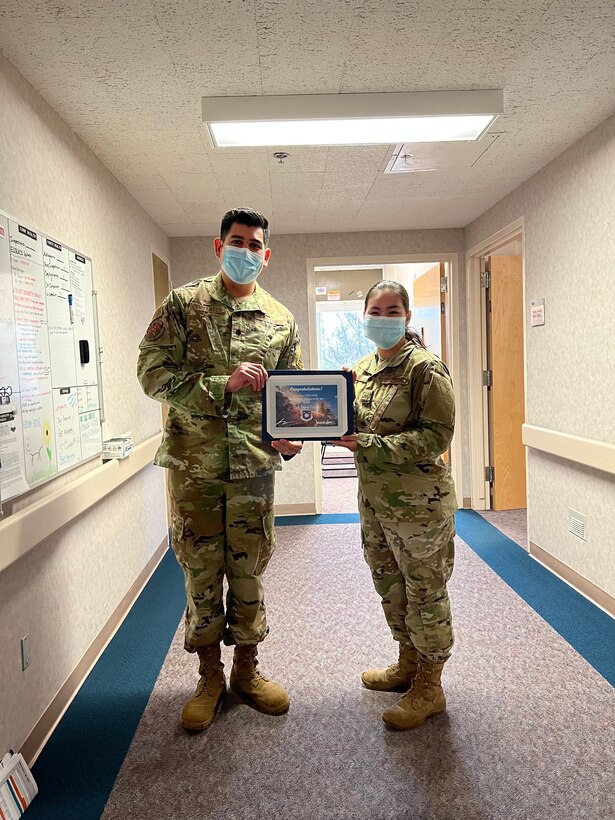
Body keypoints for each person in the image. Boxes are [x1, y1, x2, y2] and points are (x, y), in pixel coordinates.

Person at [137, 208, 303, 732]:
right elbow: (151, 373)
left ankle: (246, 674)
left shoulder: (281, 319)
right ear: (218, 246)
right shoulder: (183, 305)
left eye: (256, 245)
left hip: (254, 470)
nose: (247, 251)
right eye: (238, 241)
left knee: (250, 574)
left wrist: (295, 432)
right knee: (202, 576)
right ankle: (209, 678)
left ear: (267, 255)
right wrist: (219, 385)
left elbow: (293, 392)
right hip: (197, 470)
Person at [334, 280, 456, 730]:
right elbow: (350, 425)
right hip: (375, 504)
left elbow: (436, 437)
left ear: (406, 317)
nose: (382, 318)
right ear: (363, 314)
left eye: (392, 311)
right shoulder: (361, 370)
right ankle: (407, 662)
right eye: (375, 310)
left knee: (425, 592)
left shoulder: (425, 369)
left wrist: (368, 443)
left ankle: (430, 686)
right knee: (390, 587)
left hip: (420, 508)